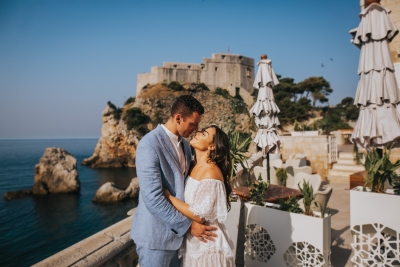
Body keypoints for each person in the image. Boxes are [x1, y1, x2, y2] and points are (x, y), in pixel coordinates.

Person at [130, 95, 218, 267]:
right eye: (193, 123)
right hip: (156, 240)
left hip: (178, 240)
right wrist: (188, 226)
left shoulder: (185, 145)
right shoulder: (149, 144)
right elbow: (153, 198)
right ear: (178, 118)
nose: (196, 129)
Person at [163, 125, 235, 267]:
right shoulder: (192, 165)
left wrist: (169, 197)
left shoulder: (211, 172)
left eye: (204, 134)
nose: (197, 133)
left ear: (212, 146)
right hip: (195, 243)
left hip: (207, 247)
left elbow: (200, 215)